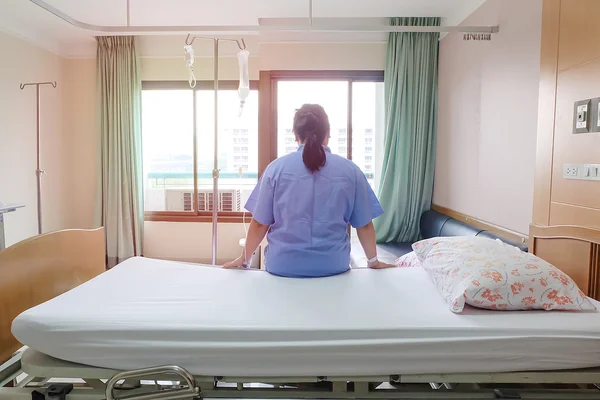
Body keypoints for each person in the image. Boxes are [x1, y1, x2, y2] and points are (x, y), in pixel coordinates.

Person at [223, 103, 395, 277]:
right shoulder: (351, 171)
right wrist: (373, 261)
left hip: (283, 267)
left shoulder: (275, 169)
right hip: (333, 268)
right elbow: (364, 224)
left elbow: (260, 223)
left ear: (296, 135)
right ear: (327, 134)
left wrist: (244, 258)